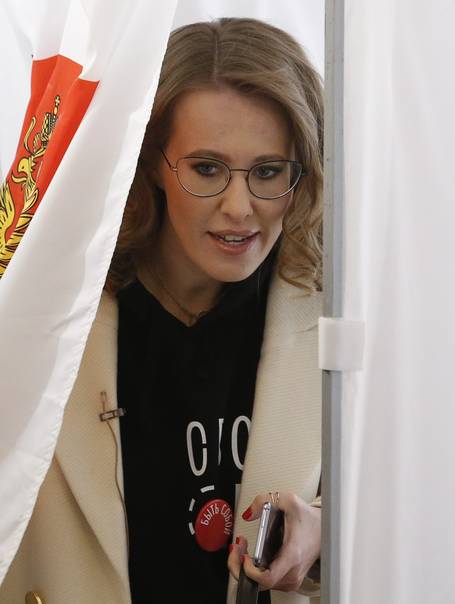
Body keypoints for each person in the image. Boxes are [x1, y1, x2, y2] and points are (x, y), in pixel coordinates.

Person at [0, 18, 323, 604]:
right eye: (207, 169)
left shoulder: (339, 318)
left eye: (269, 172)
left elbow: (426, 497)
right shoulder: (47, 306)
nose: (239, 207)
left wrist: (324, 528)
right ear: (151, 162)